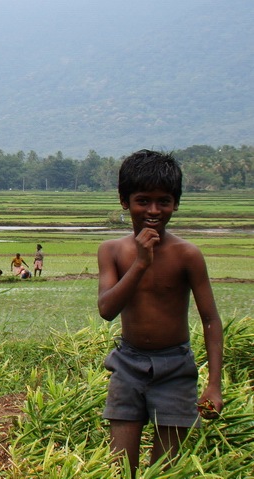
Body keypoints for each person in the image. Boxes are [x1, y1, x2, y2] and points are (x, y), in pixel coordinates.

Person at [97, 150, 223, 477]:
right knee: (120, 467)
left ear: (176, 203)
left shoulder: (187, 255)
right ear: (125, 201)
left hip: (176, 367)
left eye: (163, 201)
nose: (153, 211)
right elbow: (107, 309)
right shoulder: (112, 251)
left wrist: (214, 385)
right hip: (127, 364)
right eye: (143, 201)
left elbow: (210, 319)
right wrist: (141, 263)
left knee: (166, 470)